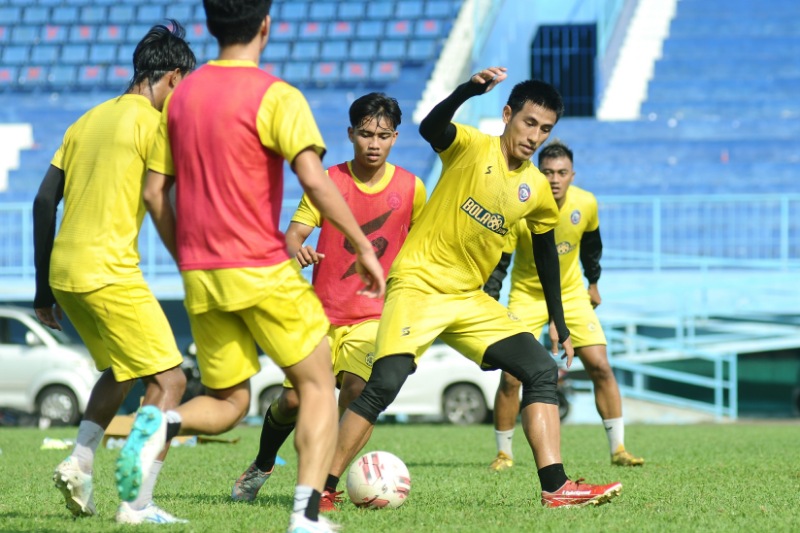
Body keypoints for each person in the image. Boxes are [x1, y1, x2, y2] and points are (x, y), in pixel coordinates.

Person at [123, 2, 385, 532]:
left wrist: (187, 259)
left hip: (201, 272)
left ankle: (165, 420)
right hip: (260, 267)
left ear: (211, 25)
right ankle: (306, 518)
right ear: (264, 26)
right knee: (316, 384)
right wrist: (361, 245)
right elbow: (315, 181)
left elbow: (154, 193)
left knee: (229, 400)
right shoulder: (277, 95)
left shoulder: (180, 98)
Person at [320, 67, 623, 510]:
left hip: (468, 298)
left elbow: (546, 257)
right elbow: (430, 128)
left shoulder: (536, 190)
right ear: (506, 114)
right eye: (528, 122)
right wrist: (466, 90)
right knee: (385, 382)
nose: (534, 135)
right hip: (419, 284)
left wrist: (560, 322)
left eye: (545, 128)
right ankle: (322, 488)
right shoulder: (471, 146)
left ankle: (556, 488)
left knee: (539, 369)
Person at [32, 23, 196, 524]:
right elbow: (160, 196)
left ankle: (80, 460)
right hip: (108, 269)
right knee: (170, 381)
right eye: (182, 86)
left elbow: (42, 201)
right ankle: (137, 504)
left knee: (122, 370)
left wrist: (43, 287)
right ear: (170, 77)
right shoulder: (153, 125)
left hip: (65, 270)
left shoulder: (86, 121)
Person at [230, 92, 426, 506]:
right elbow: (293, 236)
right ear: (351, 133)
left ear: (395, 138)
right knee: (293, 401)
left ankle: (326, 486)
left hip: (374, 317)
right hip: (320, 316)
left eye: (384, 135)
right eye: (367, 134)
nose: (375, 143)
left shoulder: (412, 188)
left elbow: (425, 248)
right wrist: (296, 250)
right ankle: (263, 462)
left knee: (358, 387)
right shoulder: (327, 181)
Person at [485, 140, 644, 471]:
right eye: (547, 172)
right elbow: (502, 260)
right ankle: (504, 453)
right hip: (527, 296)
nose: (555, 179)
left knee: (600, 365)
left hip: (571, 294)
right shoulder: (522, 206)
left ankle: (619, 449)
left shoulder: (585, 203)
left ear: (572, 175)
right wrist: (491, 298)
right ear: (538, 174)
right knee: (513, 376)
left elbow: (591, 247)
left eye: (561, 173)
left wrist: (594, 282)